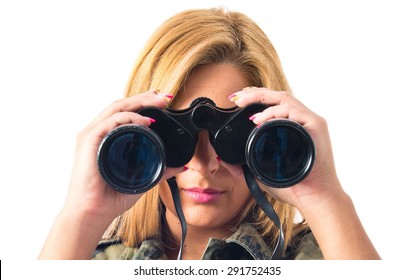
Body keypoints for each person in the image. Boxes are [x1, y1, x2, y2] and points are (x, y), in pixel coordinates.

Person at [38, 8, 380, 260]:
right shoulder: (88, 260)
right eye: (175, 136)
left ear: (268, 134)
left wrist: (325, 199)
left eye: (234, 134)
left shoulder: (325, 257)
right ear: (135, 133)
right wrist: (82, 215)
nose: (204, 165)